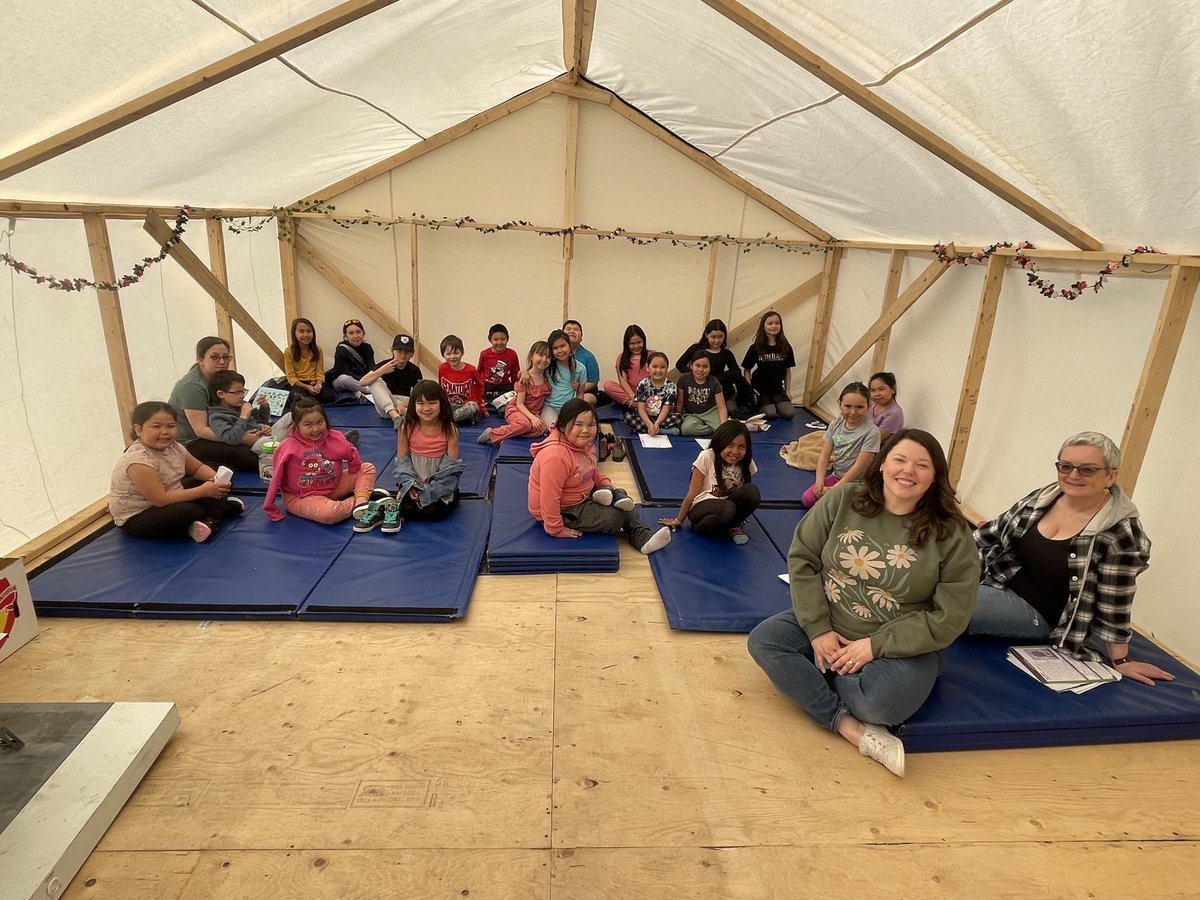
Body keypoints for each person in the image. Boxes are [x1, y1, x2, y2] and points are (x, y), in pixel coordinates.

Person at [748, 429, 980, 777]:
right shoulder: (843, 500)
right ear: (883, 463)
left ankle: (819, 674)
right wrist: (818, 630)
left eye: (922, 465)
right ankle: (845, 724)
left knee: (880, 705)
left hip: (897, 644)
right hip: (832, 620)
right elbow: (803, 559)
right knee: (765, 641)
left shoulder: (952, 533)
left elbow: (950, 616)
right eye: (900, 459)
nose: (908, 471)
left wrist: (874, 646)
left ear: (935, 476)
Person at [969, 431, 1173, 686]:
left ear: (1111, 475)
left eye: (1087, 469)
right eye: (1065, 466)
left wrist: (1122, 660)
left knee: (949, 605)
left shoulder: (1119, 533)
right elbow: (990, 533)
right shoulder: (1043, 497)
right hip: (998, 581)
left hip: (1039, 613)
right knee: (928, 581)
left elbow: (1115, 600)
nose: (1073, 475)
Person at [529, 399, 672, 554]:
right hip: (565, 509)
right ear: (562, 426)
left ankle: (643, 538)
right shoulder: (555, 457)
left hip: (580, 494)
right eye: (578, 424)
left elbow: (592, 469)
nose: (585, 430)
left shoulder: (583, 444)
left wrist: (606, 483)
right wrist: (556, 528)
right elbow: (549, 497)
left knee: (622, 498)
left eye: (591, 425)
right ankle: (637, 533)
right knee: (615, 517)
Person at [109, 401, 245, 543]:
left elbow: (197, 468)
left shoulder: (175, 447)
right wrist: (203, 491)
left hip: (171, 493)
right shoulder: (138, 461)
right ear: (138, 429)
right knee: (188, 511)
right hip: (140, 515)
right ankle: (213, 517)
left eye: (171, 426)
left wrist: (216, 479)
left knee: (219, 477)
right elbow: (161, 499)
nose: (165, 432)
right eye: (156, 426)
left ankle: (210, 515)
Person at [262, 397, 382, 528]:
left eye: (320, 422)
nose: (316, 429)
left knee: (366, 468)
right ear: (296, 425)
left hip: (333, 486)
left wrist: (354, 469)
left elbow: (351, 453)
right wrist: (270, 507)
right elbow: (275, 479)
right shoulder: (287, 447)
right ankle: (361, 500)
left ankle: (361, 501)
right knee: (330, 513)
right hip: (301, 497)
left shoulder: (335, 437)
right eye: (308, 425)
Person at [658, 420, 761, 545]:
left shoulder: (745, 460)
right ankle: (705, 527)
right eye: (730, 445)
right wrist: (678, 520)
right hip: (702, 507)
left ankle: (733, 525)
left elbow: (745, 490)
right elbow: (692, 493)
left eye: (741, 446)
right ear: (719, 443)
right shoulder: (706, 456)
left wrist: (741, 514)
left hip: (727, 506)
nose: (735, 451)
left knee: (752, 491)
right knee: (727, 508)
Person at [168, 336, 260, 471]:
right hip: (191, 442)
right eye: (215, 357)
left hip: (221, 428)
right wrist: (240, 438)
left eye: (226, 357)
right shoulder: (192, 387)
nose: (222, 362)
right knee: (247, 455)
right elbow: (201, 430)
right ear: (201, 359)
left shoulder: (217, 377)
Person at [389, 380, 464, 527]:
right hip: (415, 482)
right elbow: (402, 461)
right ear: (413, 405)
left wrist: (430, 491)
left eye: (432, 403)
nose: (426, 408)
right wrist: (409, 485)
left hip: (439, 484)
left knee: (434, 513)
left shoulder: (450, 429)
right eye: (421, 403)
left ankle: (452, 495)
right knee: (406, 510)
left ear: (441, 403)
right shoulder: (406, 427)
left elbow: (451, 467)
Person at [801, 382, 880, 509]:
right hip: (837, 476)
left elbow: (859, 466)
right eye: (848, 406)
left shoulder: (872, 432)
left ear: (868, 406)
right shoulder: (835, 424)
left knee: (835, 507)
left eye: (859, 407)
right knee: (807, 499)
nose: (853, 412)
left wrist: (835, 489)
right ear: (840, 404)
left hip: (858, 482)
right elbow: (824, 456)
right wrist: (819, 482)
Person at [478, 341, 552, 445]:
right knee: (525, 424)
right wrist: (532, 418)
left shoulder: (547, 378)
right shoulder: (525, 379)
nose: (544, 359)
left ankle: (505, 437)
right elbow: (519, 404)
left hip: (532, 413)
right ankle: (491, 433)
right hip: (517, 410)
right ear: (531, 356)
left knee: (541, 429)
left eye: (548, 356)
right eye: (540, 355)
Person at [675, 318, 750, 416]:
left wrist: (722, 378)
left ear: (725, 336)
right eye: (713, 337)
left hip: (720, 390)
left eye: (720, 337)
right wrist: (694, 374)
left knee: (732, 410)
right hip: (699, 390)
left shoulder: (726, 353)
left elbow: (736, 371)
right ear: (706, 335)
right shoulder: (696, 348)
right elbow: (679, 364)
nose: (716, 340)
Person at [360, 333, 423, 429]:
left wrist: (403, 404)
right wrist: (381, 371)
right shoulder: (384, 365)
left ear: (412, 353)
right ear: (392, 350)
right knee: (374, 381)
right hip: (386, 405)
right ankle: (395, 417)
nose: (403, 354)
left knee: (418, 405)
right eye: (399, 350)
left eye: (407, 351)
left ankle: (400, 416)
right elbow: (362, 382)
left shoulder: (414, 370)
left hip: (404, 404)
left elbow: (418, 395)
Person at [741, 311, 796, 420]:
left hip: (777, 389)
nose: (774, 326)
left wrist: (787, 391)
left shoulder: (786, 347)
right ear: (763, 326)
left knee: (789, 413)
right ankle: (766, 404)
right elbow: (746, 369)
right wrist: (750, 391)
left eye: (777, 323)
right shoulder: (755, 347)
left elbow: (788, 370)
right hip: (760, 390)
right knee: (770, 414)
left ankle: (775, 403)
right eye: (770, 323)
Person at [207, 370, 272, 454]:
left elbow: (262, 421)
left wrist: (264, 407)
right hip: (254, 445)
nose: (242, 396)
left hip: (263, 435)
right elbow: (231, 438)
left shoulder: (241, 405)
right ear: (221, 394)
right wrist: (243, 417)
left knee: (287, 418)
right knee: (281, 446)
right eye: (237, 392)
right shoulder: (217, 417)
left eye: (243, 391)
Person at [624, 351, 683, 435]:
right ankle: (660, 430)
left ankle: (651, 429)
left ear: (667, 369)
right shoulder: (643, 384)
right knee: (628, 417)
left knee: (679, 418)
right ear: (648, 367)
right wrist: (649, 424)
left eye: (662, 367)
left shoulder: (670, 385)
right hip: (645, 417)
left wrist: (657, 423)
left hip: (662, 418)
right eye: (654, 367)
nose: (658, 370)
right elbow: (641, 408)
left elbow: (666, 408)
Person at [284, 317, 336, 406]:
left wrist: (319, 385)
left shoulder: (318, 350)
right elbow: (291, 376)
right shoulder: (289, 351)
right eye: (301, 331)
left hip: (314, 382)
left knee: (330, 397)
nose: (306, 335)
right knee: (303, 401)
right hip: (299, 384)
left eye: (309, 331)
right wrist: (307, 387)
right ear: (294, 334)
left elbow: (320, 372)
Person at [677, 350, 728, 436]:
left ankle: (717, 428)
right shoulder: (683, 379)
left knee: (724, 430)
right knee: (686, 429)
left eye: (705, 367)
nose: (700, 370)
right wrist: (678, 419)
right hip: (692, 415)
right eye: (697, 365)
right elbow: (679, 402)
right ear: (691, 365)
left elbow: (721, 406)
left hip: (710, 412)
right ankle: (710, 429)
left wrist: (724, 425)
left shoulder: (714, 382)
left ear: (710, 368)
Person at [437, 334, 483, 424]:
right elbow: (440, 387)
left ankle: (450, 419)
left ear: (462, 353)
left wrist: (481, 405)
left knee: (474, 407)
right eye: (448, 354)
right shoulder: (442, 368)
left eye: (456, 353)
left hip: (466, 405)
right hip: (450, 405)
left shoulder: (471, 369)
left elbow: (480, 386)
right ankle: (460, 419)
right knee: (438, 405)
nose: (452, 357)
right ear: (443, 355)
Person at [543, 329, 587, 422]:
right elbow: (533, 371)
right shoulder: (548, 366)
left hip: (569, 408)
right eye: (555, 348)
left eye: (563, 346)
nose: (560, 350)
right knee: (551, 426)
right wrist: (524, 372)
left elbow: (580, 393)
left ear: (569, 346)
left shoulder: (580, 368)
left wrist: (578, 409)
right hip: (550, 407)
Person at [602, 324, 650, 408]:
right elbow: (623, 381)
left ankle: (644, 405)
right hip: (630, 394)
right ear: (626, 344)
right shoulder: (621, 358)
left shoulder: (651, 355)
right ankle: (634, 405)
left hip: (649, 392)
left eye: (639, 342)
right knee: (608, 385)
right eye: (632, 343)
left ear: (644, 340)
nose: (636, 346)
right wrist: (633, 397)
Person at [327, 319, 377, 396]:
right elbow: (344, 371)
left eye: (358, 332)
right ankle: (368, 390)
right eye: (351, 333)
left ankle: (358, 390)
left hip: (362, 380)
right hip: (345, 381)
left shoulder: (367, 347)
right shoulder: (341, 349)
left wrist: (370, 378)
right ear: (346, 336)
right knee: (344, 379)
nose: (356, 336)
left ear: (363, 333)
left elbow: (371, 367)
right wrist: (364, 381)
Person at [477, 323, 520, 405]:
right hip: (487, 386)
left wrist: (516, 389)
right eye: (496, 339)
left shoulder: (512, 354)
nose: (499, 342)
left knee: (510, 400)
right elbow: (479, 372)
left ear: (507, 339)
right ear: (490, 340)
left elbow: (515, 374)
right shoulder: (484, 354)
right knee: (484, 403)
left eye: (503, 339)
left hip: (504, 386)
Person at [562, 319, 599, 404]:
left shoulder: (588, 357)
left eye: (576, 329)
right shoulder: (556, 355)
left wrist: (578, 389)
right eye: (568, 329)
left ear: (581, 337)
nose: (572, 331)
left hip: (583, 392)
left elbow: (593, 382)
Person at [868, 371, 904, 441]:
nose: (877, 394)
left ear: (893, 390)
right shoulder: (871, 403)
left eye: (881, 389)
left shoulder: (895, 413)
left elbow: (875, 439)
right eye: (873, 390)